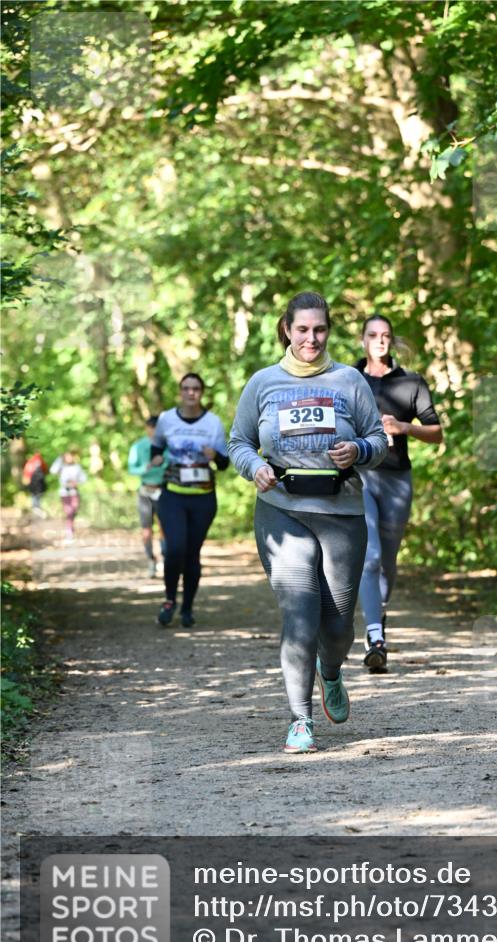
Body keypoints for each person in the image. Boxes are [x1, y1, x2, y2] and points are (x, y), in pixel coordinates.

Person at [229, 291, 387, 754]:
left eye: (319, 330)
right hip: (282, 510)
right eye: (302, 329)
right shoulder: (263, 383)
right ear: (287, 330)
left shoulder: (349, 380)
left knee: (337, 626)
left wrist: (357, 450)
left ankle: (331, 672)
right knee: (299, 614)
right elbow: (239, 441)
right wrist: (253, 467)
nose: (311, 338)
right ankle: (301, 719)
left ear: (328, 332)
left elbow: (378, 440)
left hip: (342, 513)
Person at [354, 313, 442, 674]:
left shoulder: (411, 382)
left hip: (396, 479)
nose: (380, 341)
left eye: (385, 335)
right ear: (363, 340)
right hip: (359, 477)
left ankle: (379, 611)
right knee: (369, 556)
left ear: (392, 340)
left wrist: (404, 426)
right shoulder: (348, 378)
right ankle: (376, 638)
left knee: (387, 560)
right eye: (373, 335)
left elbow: (436, 432)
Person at [150, 373, 229, 628]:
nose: (190, 393)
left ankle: (187, 608)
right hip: (172, 494)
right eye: (186, 388)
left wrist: (214, 454)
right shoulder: (166, 419)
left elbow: (225, 463)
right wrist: (157, 458)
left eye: (195, 388)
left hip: (203, 497)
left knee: (192, 553)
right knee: (174, 549)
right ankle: (169, 599)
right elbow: (156, 447)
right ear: (180, 391)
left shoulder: (213, 423)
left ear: (202, 392)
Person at [128, 416, 168, 578]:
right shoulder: (138, 446)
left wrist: (162, 464)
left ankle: (165, 560)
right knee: (146, 531)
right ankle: (151, 560)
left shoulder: (166, 446)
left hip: (163, 490)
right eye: (151, 428)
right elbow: (132, 468)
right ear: (146, 428)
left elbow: (171, 463)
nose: (153, 431)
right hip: (145, 491)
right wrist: (147, 467)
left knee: (164, 529)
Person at [50, 450, 87, 539]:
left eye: (70, 456)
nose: (68, 458)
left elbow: (84, 478)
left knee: (74, 510)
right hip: (64, 493)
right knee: (68, 511)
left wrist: (76, 482)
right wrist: (59, 459)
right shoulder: (61, 467)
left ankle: (70, 526)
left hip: (74, 492)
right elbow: (52, 470)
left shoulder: (77, 467)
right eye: (66, 456)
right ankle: (69, 530)